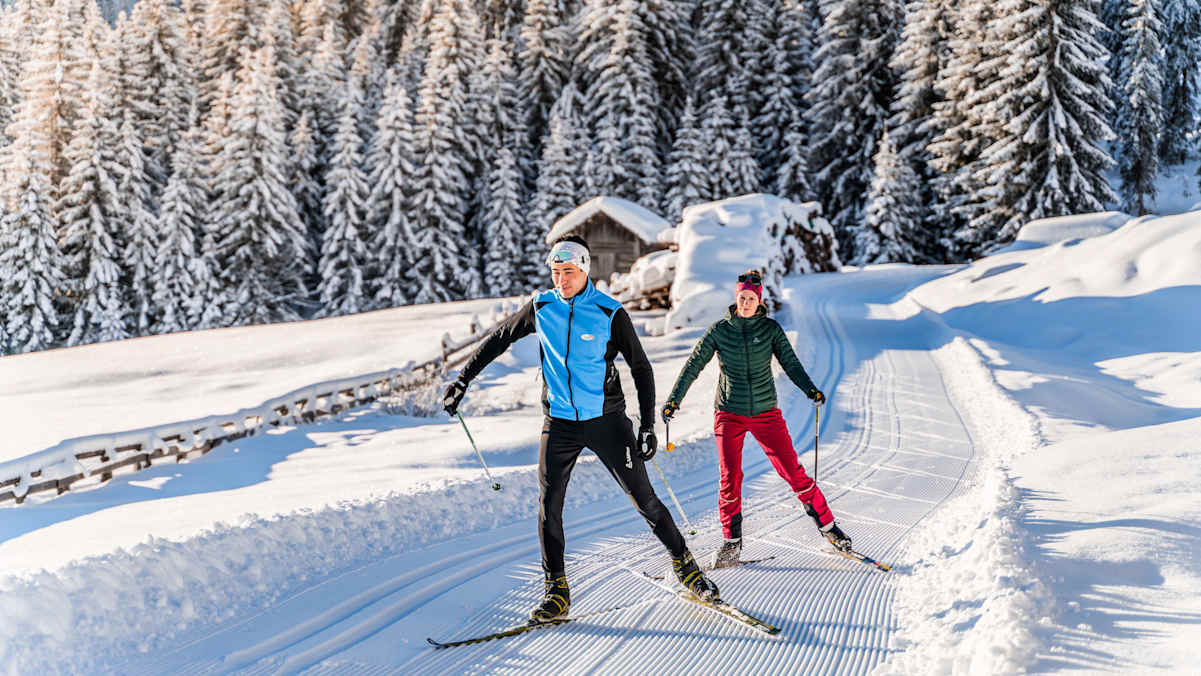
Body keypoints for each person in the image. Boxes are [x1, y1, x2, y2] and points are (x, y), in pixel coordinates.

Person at [442, 234, 719, 622]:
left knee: (644, 500)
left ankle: (686, 565)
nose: (561, 280)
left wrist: (647, 425)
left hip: (607, 421)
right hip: (559, 423)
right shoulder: (541, 307)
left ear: (585, 269)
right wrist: (462, 380)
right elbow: (500, 338)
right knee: (548, 505)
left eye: (568, 272)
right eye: (555, 272)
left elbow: (641, 367)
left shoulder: (609, 312)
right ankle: (556, 591)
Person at [662, 269, 851, 569]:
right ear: (735, 298)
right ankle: (731, 543)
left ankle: (829, 528)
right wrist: (674, 400)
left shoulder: (771, 330)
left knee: (792, 471)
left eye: (751, 299)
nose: (746, 303)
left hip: (766, 413)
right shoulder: (719, 330)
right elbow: (693, 364)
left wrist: (810, 390)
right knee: (730, 478)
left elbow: (791, 363)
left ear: (759, 300)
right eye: (742, 298)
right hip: (728, 413)